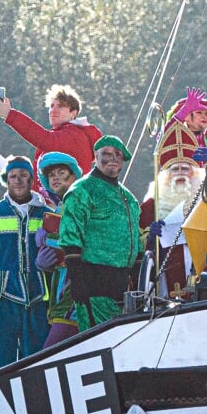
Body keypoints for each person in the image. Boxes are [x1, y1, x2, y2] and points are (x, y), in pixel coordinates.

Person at [0, 156, 52, 372]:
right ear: (6, 180)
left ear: (32, 179)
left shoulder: (48, 216)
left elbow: (58, 264)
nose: (18, 180)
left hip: (38, 301)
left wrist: (54, 303)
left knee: (36, 365)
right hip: (2, 301)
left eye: (23, 176)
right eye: (13, 176)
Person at [59, 136, 142, 331]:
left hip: (123, 283)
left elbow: (136, 240)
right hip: (93, 280)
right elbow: (70, 236)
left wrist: (139, 278)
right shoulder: (82, 190)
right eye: (107, 154)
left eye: (119, 155)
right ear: (95, 156)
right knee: (100, 339)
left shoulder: (128, 198)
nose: (113, 159)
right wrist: (77, 281)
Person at [0, 85, 102, 193]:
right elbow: (42, 180)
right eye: (51, 106)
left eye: (60, 106)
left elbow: (43, 138)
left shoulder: (74, 135)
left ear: (73, 113)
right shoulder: (63, 134)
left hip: (63, 207)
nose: (53, 110)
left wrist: (10, 115)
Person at [35, 152, 82, 347]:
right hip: (60, 295)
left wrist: (50, 241)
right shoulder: (58, 209)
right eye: (51, 174)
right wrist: (43, 263)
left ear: (74, 177)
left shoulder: (81, 204)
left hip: (77, 295)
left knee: (50, 353)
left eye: (61, 172)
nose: (54, 178)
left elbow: (80, 242)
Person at [139, 155, 202, 298]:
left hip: (201, 271)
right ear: (167, 176)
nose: (180, 173)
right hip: (165, 277)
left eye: (185, 168)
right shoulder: (151, 206)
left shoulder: (206, 202)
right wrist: (150, 237)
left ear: (193, 173)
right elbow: (137, 244)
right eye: (175, 169)